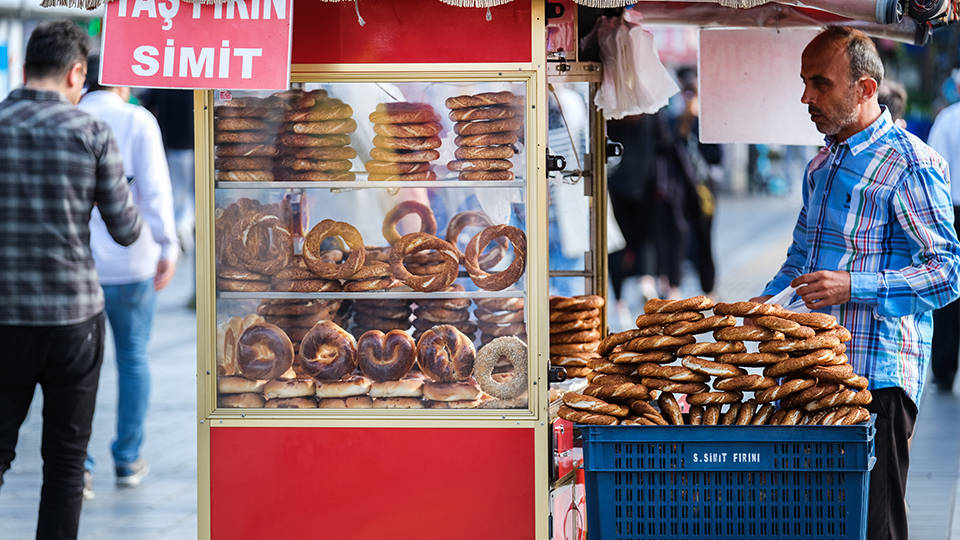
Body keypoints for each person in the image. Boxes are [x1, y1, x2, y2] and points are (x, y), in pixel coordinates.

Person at [752, 26, 960, 540]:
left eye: (820, 83)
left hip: (879, 381)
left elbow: (946, 272)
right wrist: (752, 312)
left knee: (875, 524)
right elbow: (800, 260)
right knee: (816, 522)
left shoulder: (912, 163)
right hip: (814, 372)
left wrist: (853, 286)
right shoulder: (821, 164)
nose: (806, 97)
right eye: (804, 82)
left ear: (865, 89)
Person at [0, 21, 142, 540]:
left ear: (24, 69)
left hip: (4, 318)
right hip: (73, 322)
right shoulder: (91, 133)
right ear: (76, 72)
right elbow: (126, 231)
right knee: (64, 465)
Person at [79, 55, 179, 497]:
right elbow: (155, 190)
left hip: (77, 265)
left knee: (79, 369)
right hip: (134, 259)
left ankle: (78, 464)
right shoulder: (138, 120)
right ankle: (128, 457)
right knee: (133, 359)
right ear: (122, 82)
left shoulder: (72, 115)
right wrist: (167, 246)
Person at [925, 74, 960, 394]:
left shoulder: (948, 120)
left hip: (951, 210)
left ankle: (945, 369)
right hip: (951, 208)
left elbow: (934, 167)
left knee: (949, 293)